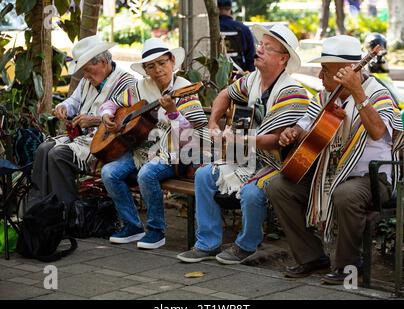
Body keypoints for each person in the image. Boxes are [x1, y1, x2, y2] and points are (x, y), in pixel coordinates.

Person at [265, 35, 404, 284]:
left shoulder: (378, 94)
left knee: (346, 194)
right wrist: (293, 133)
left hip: (372, 178)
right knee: (279, 187)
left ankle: (349, 266)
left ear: (345, 72)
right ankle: (311, 257)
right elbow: (307, 129)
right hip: (329, 175)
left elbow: (378, 132)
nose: (319, 76)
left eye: (325, 70)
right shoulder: (323, 98)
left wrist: (358, 93)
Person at [177, 24, 309, 265]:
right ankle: (207, 243)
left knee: (251, 191)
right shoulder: (253, 80)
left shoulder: (293, 93)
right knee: (204, 175)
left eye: (268, 48)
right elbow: (225, 94)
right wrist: (214, 122)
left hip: (278, 164)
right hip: (246, 155)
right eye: (260, 44)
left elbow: (276, 140)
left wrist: (243, 140)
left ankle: (247, 244)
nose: (259, 49)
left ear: (283, 59)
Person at [99, 38, 208, 249]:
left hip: (177, 153)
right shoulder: (140, 87)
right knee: (109, 172)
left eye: (162, 63)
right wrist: (106, 115)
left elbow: (192, 134)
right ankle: (132, 226)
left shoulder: (184, 88)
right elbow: (112, 103)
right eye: (151, 66)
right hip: (142, 150)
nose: (158, 70)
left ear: (172, 62)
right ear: (146, 70)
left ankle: (156, 231)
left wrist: (173, 112)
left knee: (147, 174)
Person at [31, 35, 134, 207]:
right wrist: (63, 106)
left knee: (58, 155)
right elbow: (74, 101)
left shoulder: (127, 82)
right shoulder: (88, 81)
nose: (85, 76)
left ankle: (69, 211)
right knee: (44, 148)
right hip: (82, 139)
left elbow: (127, 120)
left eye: (87, 70)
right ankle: (44, 206)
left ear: (102, 62)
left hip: (107, 143)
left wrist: (95, 120)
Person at [218, 0, 255, 73]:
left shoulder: (210, 29)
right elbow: (251, 58)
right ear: (230, 8)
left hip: (215, 75)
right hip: (238, 76)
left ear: (216, 8)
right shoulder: (244, 29)